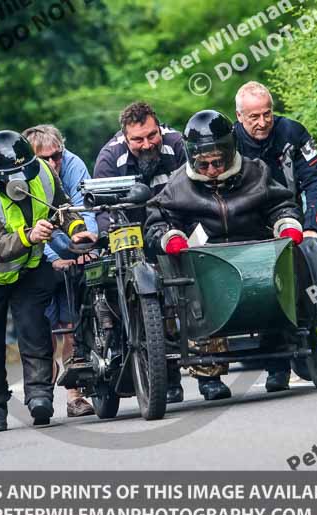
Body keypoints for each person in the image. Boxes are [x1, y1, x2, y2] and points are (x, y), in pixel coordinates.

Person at [145, 110, 305, 396]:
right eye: (203, 163)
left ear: (231, 151)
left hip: (257, 256)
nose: (212, 169)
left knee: (275, 288)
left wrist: (286, 224)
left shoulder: (257, 171)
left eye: (218, 161)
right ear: (192, 157)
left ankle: (279, 363)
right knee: (197, 296)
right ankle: (209, 375)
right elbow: (158, 222)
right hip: (207, 263)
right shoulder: (177, 186)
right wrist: (171, 237)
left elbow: (282, 204)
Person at [0, 130, 97, 433]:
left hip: (30, 268)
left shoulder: (45, 175)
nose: (22, 177)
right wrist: (29, 235)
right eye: (13, 174)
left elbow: (61, 207)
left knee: (35, 327)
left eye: (26, 169)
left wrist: (76, 230)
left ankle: (40, 396)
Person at [93, 101, 190, 404]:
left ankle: (209, 374)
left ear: (159, 128)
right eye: (138, 139)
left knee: (189, 294)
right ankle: (160, 374)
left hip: (174, 230)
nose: (147, 144)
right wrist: (114, 238)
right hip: (131, 237)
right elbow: (102, 211)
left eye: (151, 135)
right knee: (134, 296)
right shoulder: (109, 158)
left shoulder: (178, 145)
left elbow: (199, 191)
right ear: (125, 137)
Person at [23, 124, 98, 418]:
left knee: (73, 325)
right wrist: (53, 258)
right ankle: (45, 372)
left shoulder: (73, 165)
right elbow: (25, 231)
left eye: (57, 156)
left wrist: (83, 248)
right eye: (45, 160)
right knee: (43, 330)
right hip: (37, 259)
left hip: (72, 253)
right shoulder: (19, 180)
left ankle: (75, 394)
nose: (54, 164)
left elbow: (86, 211)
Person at [234, 81, 317, 239]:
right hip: (246, 229)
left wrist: (312, 228)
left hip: (292, 224)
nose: (263, 122)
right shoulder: (230, 144)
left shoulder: (294, 132)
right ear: (239, 116)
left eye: (267, 114)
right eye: (254, 117)